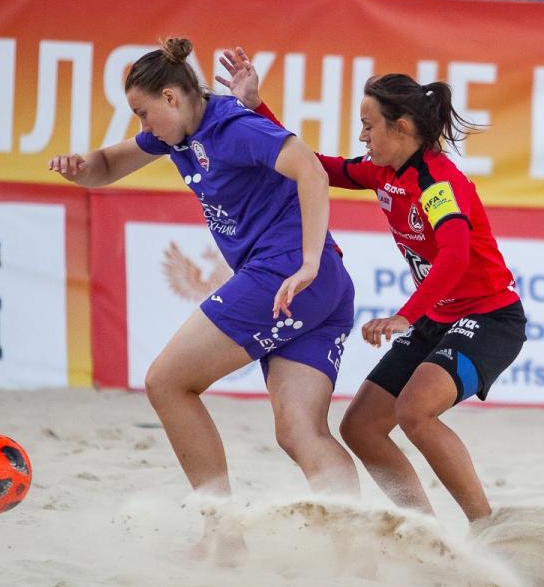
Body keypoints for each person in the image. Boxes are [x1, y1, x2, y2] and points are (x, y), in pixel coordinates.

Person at [48, 38, 359, 556]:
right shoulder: (177, 136)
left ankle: (223, 536)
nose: (143, 125)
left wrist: (306, 261)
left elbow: (311, 168)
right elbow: (106, 165)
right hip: (323, 286)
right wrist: (80, 169)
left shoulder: (232, 128)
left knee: (167, 382)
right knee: (301, 432)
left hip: (287, 275)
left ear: (171, 97)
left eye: (143, 113)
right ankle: (361, 549)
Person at [219, 49, 525, 525]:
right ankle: (425, 530)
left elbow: (455, 256)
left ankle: (486, 527)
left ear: (400, 128)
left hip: (489, 320)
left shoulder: (437, 183)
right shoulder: (382, 171)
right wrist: (257, 107)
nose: (362, 135)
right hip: (438, 318)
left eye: (368, 125)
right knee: (361, 427)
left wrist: (405, 316)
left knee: (415, 413)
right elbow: (312, 166)